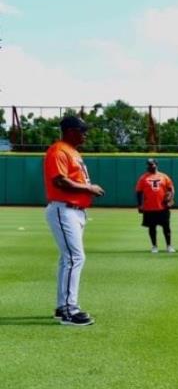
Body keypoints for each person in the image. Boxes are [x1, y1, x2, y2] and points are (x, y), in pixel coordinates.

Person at [44, 115, 104, 326]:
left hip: (75, 211)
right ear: (70, 130)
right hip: (64, 208)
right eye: (82, 130)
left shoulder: (73, 151)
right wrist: (89, 188)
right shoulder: (58, 150)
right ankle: (70, 310)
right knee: (75, 258)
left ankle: (63, 307)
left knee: (68, 258)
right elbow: (60, 181)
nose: (85, 134)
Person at [135, 158, 175, 253]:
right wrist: (140, 205)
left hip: (163, 207)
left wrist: (170, 199)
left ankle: (169, 246)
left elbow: (171, 189)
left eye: (152, 164)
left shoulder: (164, 176)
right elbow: (138, 192)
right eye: (148, 164)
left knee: (166, 227)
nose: (150, 166)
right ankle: (154, 246)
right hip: (149, 207)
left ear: (156, 165)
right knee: (152, 228)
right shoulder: (143, 178)